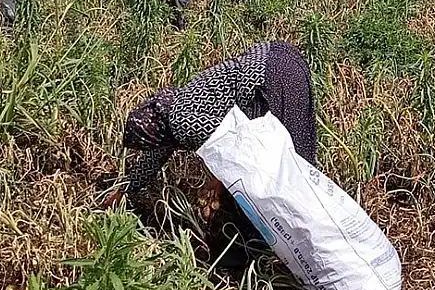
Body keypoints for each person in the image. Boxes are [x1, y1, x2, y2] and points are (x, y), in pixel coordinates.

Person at [118, 41, 317, 210]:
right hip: (279, 56)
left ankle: (306, 220)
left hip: (273, 78)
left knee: (292, 167)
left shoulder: (180, 121)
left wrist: (216, 185)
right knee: (288, 159)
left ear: (150, 135)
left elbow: (229, 142)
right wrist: (124, 190)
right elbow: (154, 157)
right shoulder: (169, 113)